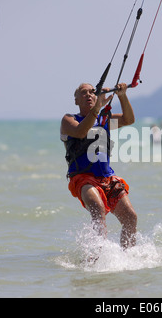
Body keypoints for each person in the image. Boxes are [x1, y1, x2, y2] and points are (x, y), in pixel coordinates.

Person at [60, 82, 137, 249]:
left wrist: (122, 96)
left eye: (92, 92)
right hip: (82, 178)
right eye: (83, 93)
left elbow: (129, 120)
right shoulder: (68, 120)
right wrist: (98, 108)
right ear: (76, 101)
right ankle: (95, 258)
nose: (88, 95)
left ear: (96, 97)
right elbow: (81, 131)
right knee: (97, 208)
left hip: (106, 177)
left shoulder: (105, 120)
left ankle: (128, 259)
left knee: (130, 217)